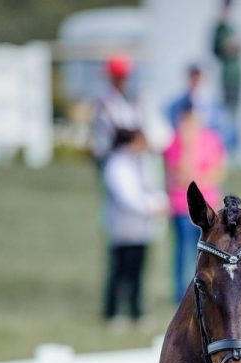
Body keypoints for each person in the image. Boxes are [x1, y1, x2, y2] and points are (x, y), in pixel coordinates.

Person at [102, 128, 167, 328]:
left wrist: (158, 203)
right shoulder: (117, 164)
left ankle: (135, 311)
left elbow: (151, 187)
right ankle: (113, 312)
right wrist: (150, 207)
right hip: (123, 227)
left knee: (138, 272)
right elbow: (127, 196)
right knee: (121, 271)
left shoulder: (142, 162)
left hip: (141, 228)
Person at [164, 104, 226, 301]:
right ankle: (182, 293)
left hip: (208, 206)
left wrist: (197, 177)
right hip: (182, 206)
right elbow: (180, 176)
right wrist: (188, 147)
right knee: (183, 251)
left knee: (208, 251)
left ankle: (206, 289)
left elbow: (217, 173)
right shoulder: (175, 142)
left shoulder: (211, 140)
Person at [90, 54, 142, 166]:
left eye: (125, 77)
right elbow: (118, 132)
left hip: (130, 156)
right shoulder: (105, 101)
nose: (123, 81)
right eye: (119, 77)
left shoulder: (130, 99)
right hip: (110, 157)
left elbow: (137, 124)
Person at [167, 63, 230, 142]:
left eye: (198, 77)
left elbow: (224, 135)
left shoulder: (216, 109)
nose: (196, 81)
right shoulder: (175, 106)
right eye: (192, 77)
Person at [211, 0, 241, 137]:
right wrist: (228, 48)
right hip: (226, 76)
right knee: (225, 110)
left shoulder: (232, 28)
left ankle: (233, 138)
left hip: (236, 75)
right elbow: (216, 50)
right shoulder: (220, 28)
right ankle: (226, 138)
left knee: (235, 110)